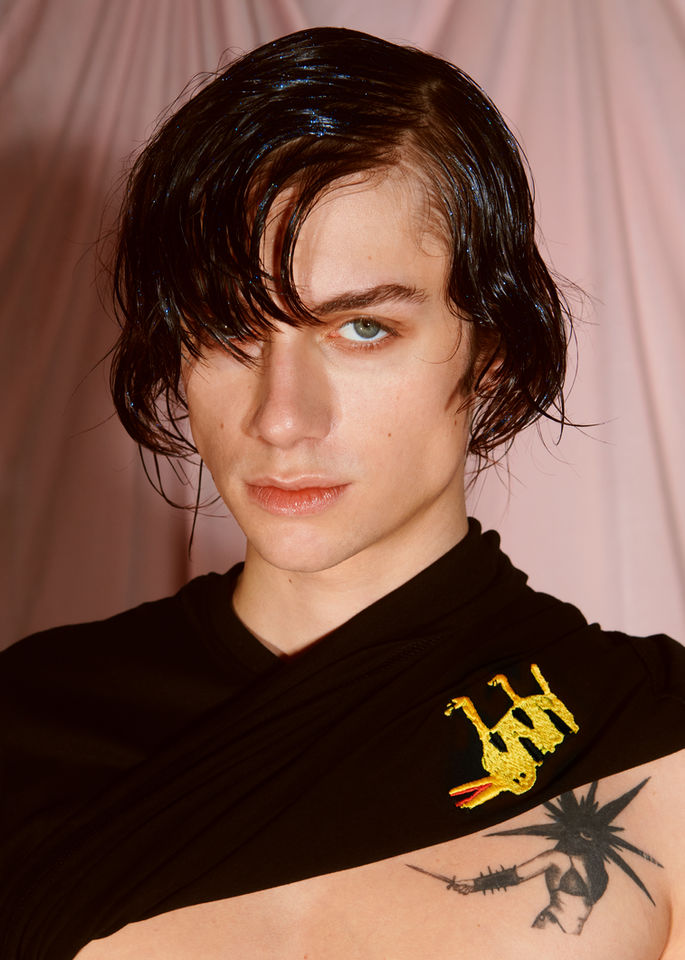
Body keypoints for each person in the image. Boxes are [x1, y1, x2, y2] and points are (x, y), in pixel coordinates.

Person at [1, 26, 684, 960]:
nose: (281, 417)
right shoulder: (28, 724)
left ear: (491, 352)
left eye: (362, 328)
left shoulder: (653, 740)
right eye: (228, 329)